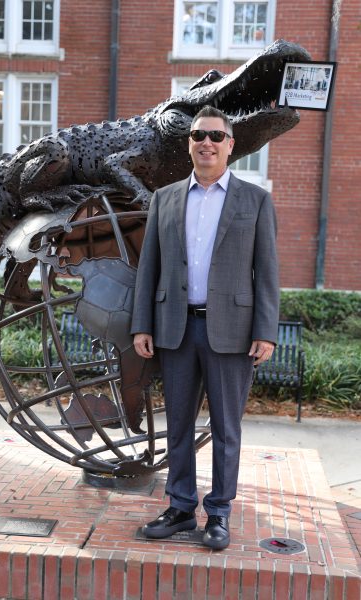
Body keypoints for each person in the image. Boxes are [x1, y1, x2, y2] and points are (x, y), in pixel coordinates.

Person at [131, 105, 279, 550]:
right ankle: (179, 507)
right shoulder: (166, 198)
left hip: (232, 332)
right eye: (199, 135)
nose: (207, 143)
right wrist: (143, 323)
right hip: (176, 328)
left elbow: (267, 270)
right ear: (189, 143)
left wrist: (265, 330)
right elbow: (149, 268)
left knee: (226, 427)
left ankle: (218, 514)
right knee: (177, 423)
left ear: (231, 145)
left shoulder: (255, 200)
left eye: (216, 136)